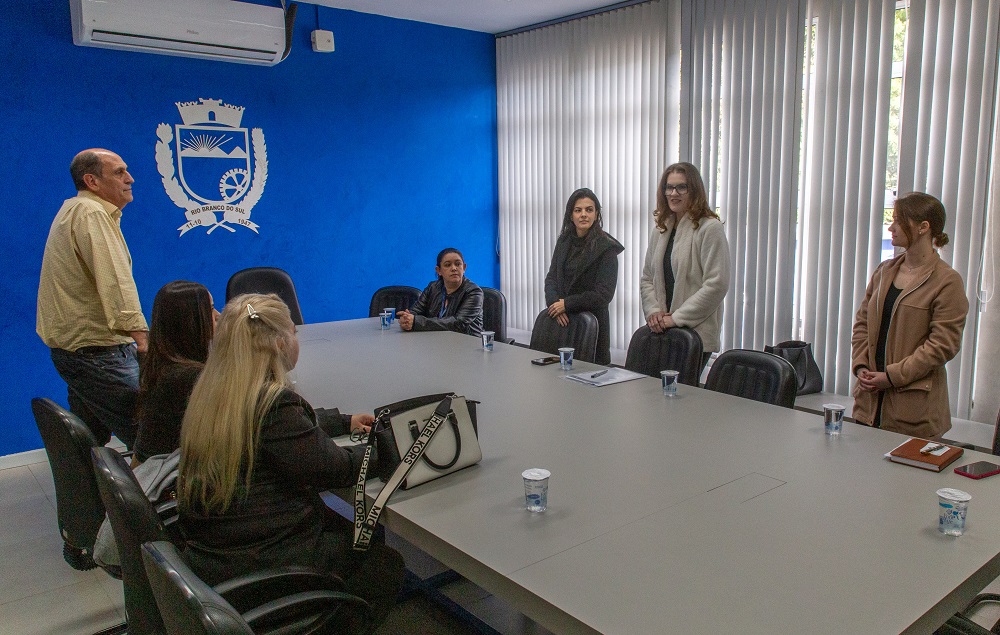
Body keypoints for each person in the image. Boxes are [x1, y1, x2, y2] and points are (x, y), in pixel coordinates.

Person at [178, 293, 403, 633]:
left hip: (216, 552)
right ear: (279, 343)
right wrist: (394, 445)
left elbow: (277, 432)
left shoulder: (213, 394)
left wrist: (341, 422)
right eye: (295, 332)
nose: (298, 338)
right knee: (384, 564)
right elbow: (338, 468)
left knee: (347, 528)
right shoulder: (274, 405)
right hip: (265, 558)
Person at [37, 149, 148, 448]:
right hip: (99, 354)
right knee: (152, 439)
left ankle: (96, 496)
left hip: (77, 352)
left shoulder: (75, 209)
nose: (130, 178)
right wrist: (145, 342)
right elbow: (116, 285)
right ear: (92, 181)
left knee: (90, 443)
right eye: (119, 172)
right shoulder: (92, 213)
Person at [851, 192, 969, 438]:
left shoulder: (947, 281)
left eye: (898, 220)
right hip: (868, 405)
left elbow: (942, 346)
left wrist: (892, 377)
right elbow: (862, 324)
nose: (891, 227)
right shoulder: (884, 271)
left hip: (914, 413)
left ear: (924, 227)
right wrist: (861, 366)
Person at [640, 162, 731, 373]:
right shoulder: (661, 229)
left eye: (681, 187)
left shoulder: (710, 228)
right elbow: (647, 278)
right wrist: (654, 312)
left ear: (694, 190)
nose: (673, 193)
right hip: (663, 330)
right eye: (669, 187)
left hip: (695, 334)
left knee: (680, 398)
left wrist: (676, 319)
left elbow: (717, 285)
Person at [132, 281, 217, 463]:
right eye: (210, 309)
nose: (218, 316)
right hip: (172, 480)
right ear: (191, 321)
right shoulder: (190, 378)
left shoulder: (161, 368)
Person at [543, 188, 624, 366]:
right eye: (578, 210)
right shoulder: (564, 241)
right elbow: (551, 278)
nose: (583, 215)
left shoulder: (606, 248)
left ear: (596, 214)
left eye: (589, 210)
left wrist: (566, 304)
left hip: (593, 326)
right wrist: (555, 304)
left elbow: (603, 294)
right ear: (571, 215)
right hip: (563, 324)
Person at [398, 248, 484, 336]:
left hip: (467, 343)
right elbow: (415, 311)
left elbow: (458, 324)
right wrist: (406, 319)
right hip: (437, 341)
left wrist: (416, 322)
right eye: (448, 265)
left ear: (464, 267)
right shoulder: (433, 287)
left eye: (458, 264)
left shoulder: (474, 292)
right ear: (439, 270)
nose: (454, 268)